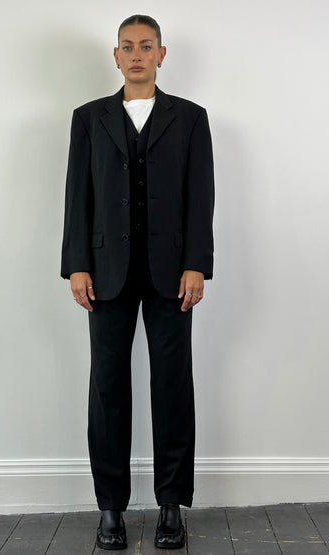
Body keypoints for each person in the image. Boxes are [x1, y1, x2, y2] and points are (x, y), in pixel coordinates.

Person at [60, 14, 214, 550]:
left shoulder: (190, 118)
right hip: (105, 272)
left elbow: (201, 195)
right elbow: (77, 195)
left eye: (146, 46)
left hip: (173, 273)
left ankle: (171, 504)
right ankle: (110, 508)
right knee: (107, 387)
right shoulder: (89, 118)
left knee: (172, 383)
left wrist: (196, 263)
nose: (137, 55)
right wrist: (77, 264)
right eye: (127, 47)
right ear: (116, 56)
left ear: (161, 54)